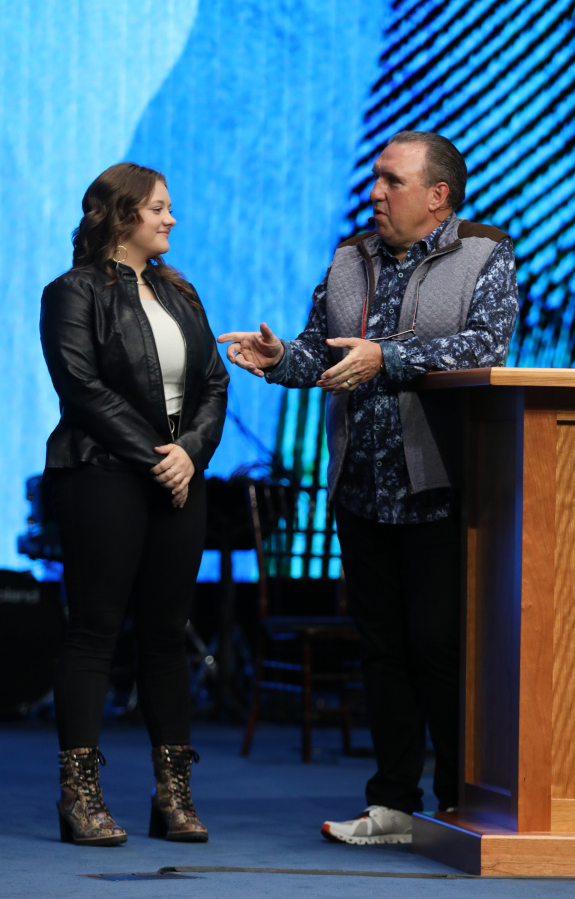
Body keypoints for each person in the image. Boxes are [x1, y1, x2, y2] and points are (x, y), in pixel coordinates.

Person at [218, 132, 518, 845]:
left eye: (392, 181)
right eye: (376, 179)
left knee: (438, 648)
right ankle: (391, 805)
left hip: (440, 488)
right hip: (360, 488)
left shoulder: (484, 254)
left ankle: (460, 802)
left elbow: (485, 345)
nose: (375, 193)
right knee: (381, 649)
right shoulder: (349, 257)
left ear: (438, 196)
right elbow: (318, 353)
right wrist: (279, 358)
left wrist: (389, 357)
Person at [40, 162, 229, 846]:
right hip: (102, 473)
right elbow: (82, 389)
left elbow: (214, 383)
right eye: (158, 207)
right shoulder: (72, 292)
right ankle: (79, 798)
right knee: (94, 631)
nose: (170, 218)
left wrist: (190, 454)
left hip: (180, 476)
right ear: (122, 216)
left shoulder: (181, 291)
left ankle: (172, 797)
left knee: (167, 635)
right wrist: (159, 456)